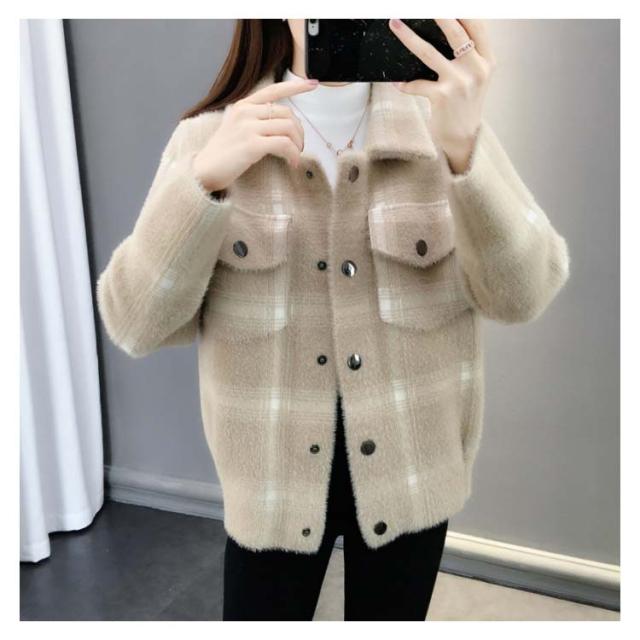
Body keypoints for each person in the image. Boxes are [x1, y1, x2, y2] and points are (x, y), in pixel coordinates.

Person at [96, 19, 570, 621]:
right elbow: (134, 322)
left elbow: (524, 294)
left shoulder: (441, 127)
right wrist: (203, 180)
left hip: (414, 477)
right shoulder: (209, 139)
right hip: (270, 490)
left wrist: (465, 149)